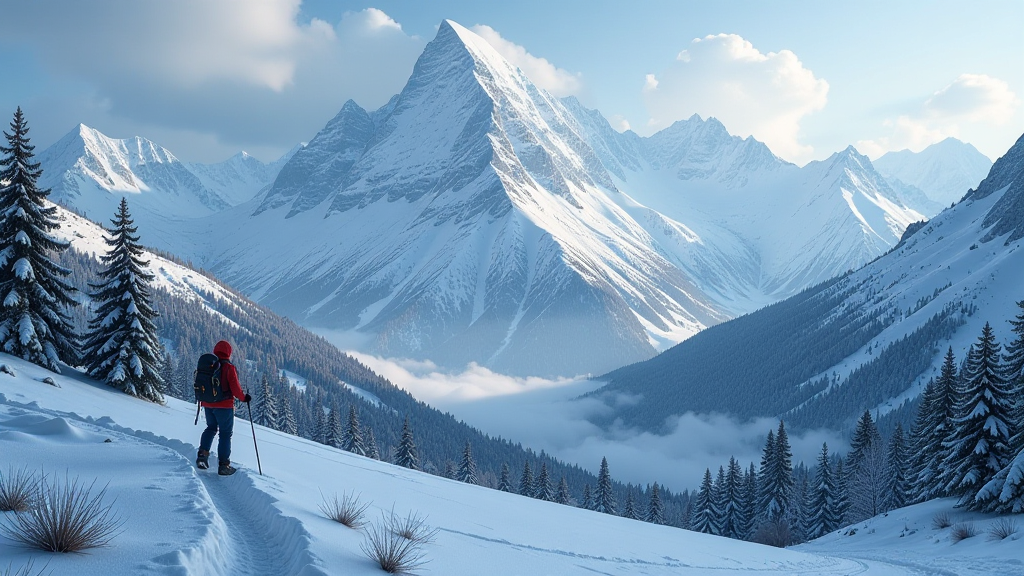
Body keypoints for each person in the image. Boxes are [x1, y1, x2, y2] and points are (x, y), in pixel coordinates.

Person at [196, 340, 250, 475]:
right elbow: (235, 388)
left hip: (208, 403)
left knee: (211, 428)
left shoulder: (210, 365)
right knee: (225, 434)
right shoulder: (228, 367)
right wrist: (244, 398)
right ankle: (224, 465)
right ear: (229, 352)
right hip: (224, 406)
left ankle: (202, 455)